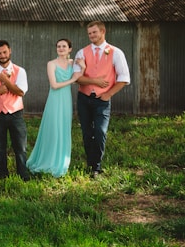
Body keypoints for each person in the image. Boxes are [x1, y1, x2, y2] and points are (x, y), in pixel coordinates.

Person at [73, 21, 130, 178]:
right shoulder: (81, 53)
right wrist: (94, 81)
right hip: (84, 98)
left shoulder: (116, 52)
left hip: (102, 100)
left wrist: (108, 94)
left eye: (94, 32)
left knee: (100, 132)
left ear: (103, 32)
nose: (91, 35)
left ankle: (96, 167)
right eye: (89, 33)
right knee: (87, 133)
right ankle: (91, 165)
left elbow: (124, 78)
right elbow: (76, 78)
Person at [27, 39, 85, 177]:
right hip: (55, 98)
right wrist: (72, 80)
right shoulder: (51, 64)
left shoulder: (72, 63)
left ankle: (60, 161)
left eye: (64, 46)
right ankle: (47, 160)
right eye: (58, 46)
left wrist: (83, 68)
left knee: (63, 128)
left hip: (66, 99)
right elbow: (54, 85)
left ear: (70, 49)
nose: (61, 48)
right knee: (53, 128)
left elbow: (80, 76)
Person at [0, 40, 30, 181]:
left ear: (10, 51)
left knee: (20, 146)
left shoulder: (20, 71)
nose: (2, 55)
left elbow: (21, 92)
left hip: (16, 114)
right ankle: (1, 174)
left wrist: (6, 81)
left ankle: (23, 174)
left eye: (4, 52)